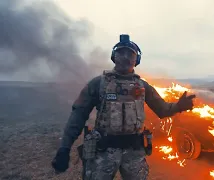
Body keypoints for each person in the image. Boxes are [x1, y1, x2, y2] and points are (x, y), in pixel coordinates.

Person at [51, 34, 196, 180]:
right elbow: (78, 115)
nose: (126, 57)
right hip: (103, 152)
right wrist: (65, 148)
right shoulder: (98, 84)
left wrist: (178, 106)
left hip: (134, 153)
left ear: (136, 60)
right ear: (114, 57)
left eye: (130, 54)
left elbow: (163, 110)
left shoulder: (143, 86)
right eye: (121, 52)